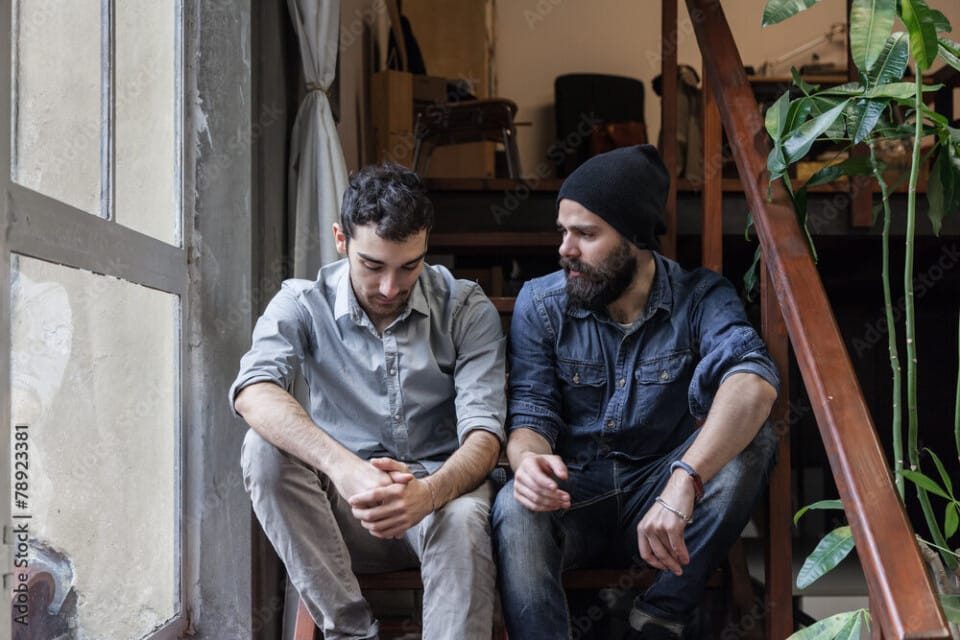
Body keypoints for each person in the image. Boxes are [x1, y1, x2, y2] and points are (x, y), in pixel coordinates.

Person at [491, 145, 780, 639]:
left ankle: (660, 616)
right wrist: (528, 462)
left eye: (585, 234)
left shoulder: (700, 297)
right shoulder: (542, 303)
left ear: (636, 238)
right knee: (514, 508)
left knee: (754, 441)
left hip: (662, 495)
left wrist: (684, 481)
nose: (566, 249)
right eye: (564, 231)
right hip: (574, 496)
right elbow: (530, 416)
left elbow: (752, 382)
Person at [231, 163, 506, 640]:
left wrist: (429, 493)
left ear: (426, 246)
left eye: (409, 267)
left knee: (463, 522)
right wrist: (344, 468)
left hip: (441, 502)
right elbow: (253, 391)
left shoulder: (465, 307)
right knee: (262, 450)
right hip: (343, 513)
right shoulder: (302, 302)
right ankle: (353, 634)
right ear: (342, 239)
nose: (389, 288)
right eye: (373, 265)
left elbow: (485, 437)